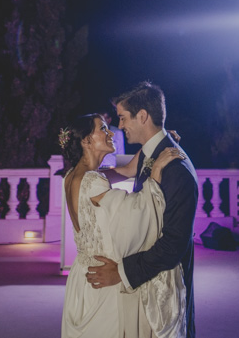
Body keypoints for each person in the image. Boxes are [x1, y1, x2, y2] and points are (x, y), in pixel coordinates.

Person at [86, 81, 199, 338]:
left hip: (166, 293)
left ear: (143, 116)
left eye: (123, 118)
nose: (120, 125)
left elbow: (173, 245)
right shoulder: (151, 155)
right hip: (148, 288)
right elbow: (126, 174)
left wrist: (121, 271)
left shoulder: (176, 170)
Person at [60, 112, 186, 337]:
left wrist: (157, 144)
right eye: (103, 128)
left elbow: (127, 170)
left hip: (82, 277)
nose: (111, 133)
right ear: (86, 141)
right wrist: (155, 173)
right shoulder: (92, 181)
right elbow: (136, 215)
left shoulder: (73, 176)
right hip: (103, 281)